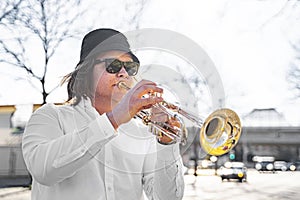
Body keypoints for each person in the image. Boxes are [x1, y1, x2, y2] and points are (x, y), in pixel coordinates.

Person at [22, 28, 185, 200]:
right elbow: (43, 170)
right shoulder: (50, 116)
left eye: (130, 67)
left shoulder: (142, 132)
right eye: (112, 65)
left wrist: (166, 143)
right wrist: (113, 120)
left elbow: (167, 198)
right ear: (86, 71)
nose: (123, 73)